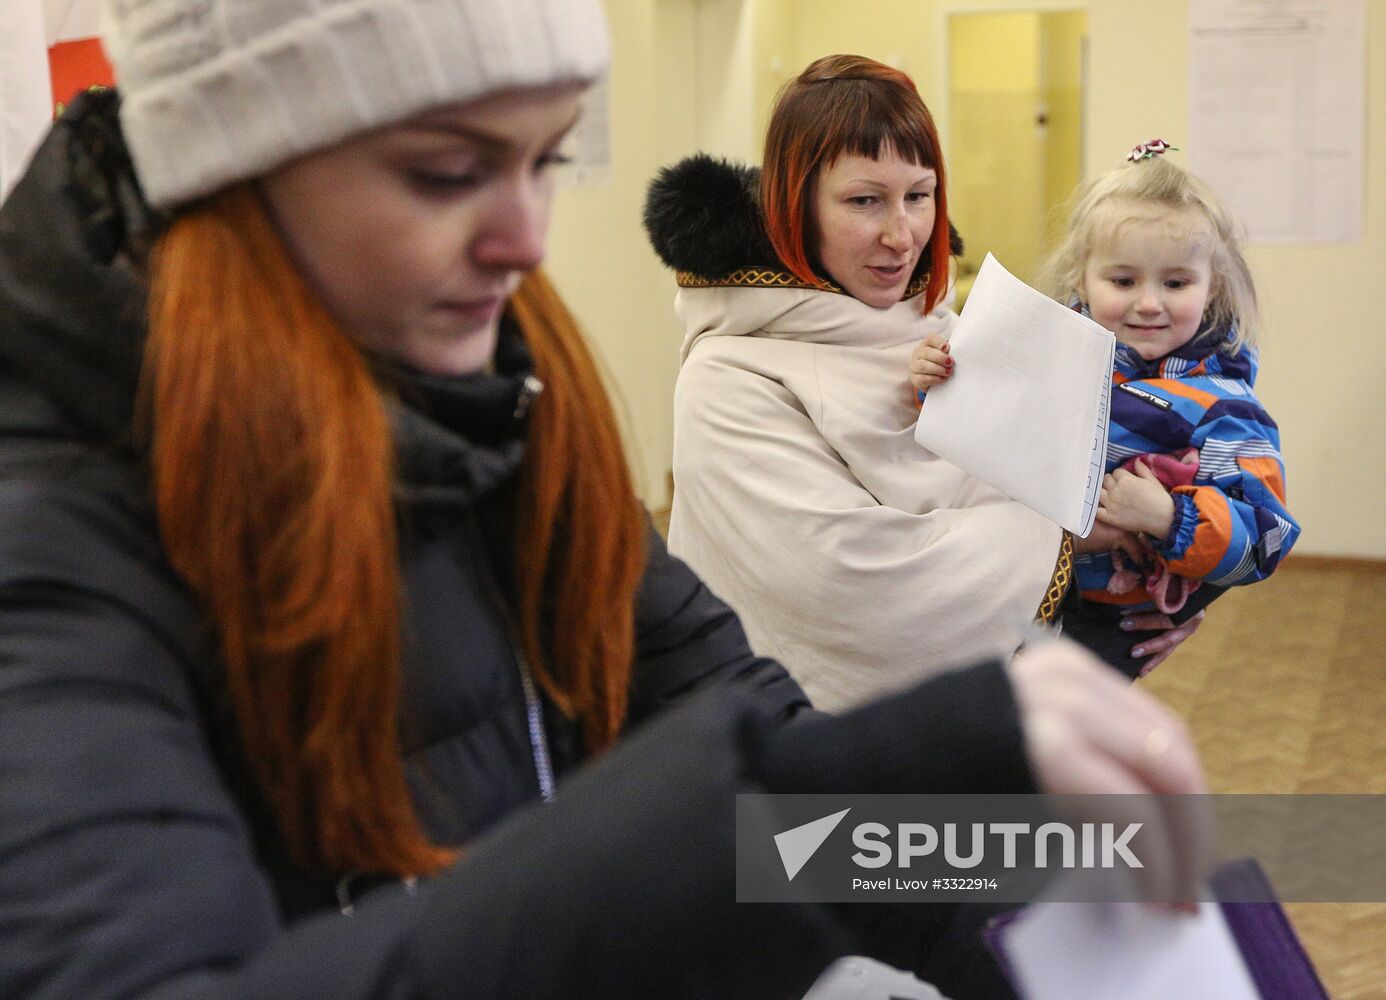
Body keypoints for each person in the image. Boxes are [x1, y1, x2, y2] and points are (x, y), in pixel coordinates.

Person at [0, 10, 1206, 998]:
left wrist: (1004, 933)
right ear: (232, 170)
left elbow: (716, 701)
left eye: (545, 158)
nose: (526, 239)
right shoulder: (51, 540)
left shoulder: (504, 415)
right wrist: (837, 789)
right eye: (445, 172)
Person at [645, 55, 1198, 712]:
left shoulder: (930, 319)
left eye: (919, 194)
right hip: (817, 760)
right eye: (863, 200)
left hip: (995, 711)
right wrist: (1061, 544)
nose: (901, 235)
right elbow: (849, 588)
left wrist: (1133, 597)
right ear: (796, 204)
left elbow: (1021, 474)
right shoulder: (729, 375)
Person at [923, 142, 1300, 677]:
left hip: (1101, 622)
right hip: (1015, 582)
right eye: (1123, 281)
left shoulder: (1227, 408)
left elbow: (1267, 536)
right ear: (1083, 278)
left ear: (1211, 286)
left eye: (1175, 282)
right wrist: (934, 378)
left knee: (1042, 739)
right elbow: (977, 417)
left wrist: (1169, 518)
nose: (1149, 302)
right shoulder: (1055, 354)